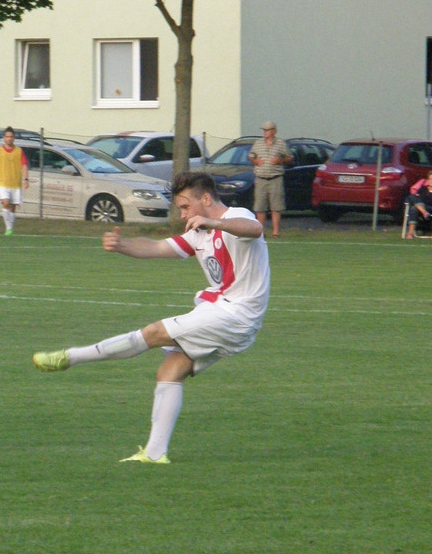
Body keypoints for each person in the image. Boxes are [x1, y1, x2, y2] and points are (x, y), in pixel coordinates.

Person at [32, 171, 269, 464]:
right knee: (170, 371)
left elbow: (254, 228)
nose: (183, 215)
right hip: (220, 312)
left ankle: (71, 358)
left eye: (186, 207)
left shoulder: (235, 216)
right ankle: (155, 454)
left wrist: (214, 222)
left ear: (206, 199)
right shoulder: (198, 233)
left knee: (154, 332)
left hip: (236, 314)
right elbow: (156, 247)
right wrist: (122, 246)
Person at [248, 121, 292, 237]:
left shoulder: (281, 143)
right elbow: (251, 156)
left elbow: (290, 157)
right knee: (260, 207)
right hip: (260, 179)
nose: (265, 132)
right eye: (264, 130)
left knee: (276, 207)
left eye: (267, 130)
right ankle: (261, 232)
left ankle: (275, 232)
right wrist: (255, 161)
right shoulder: (258, 143)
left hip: (275, 178)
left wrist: (280, 161)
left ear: (274, 131)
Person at [0, 126, 30, 236]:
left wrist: (26, 179)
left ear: (14, 138)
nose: (9, 139)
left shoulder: (19, 151)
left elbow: (24, 166)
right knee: (6, 202)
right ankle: (8, 228)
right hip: (3, 183)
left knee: (12, 207)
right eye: (7, 136)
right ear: (4, 137)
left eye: (11, 137)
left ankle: (10, 229)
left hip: (15, 184)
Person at [404, 172, 432, 238]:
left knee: (413, 204)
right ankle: (411, 232)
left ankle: (410, 233)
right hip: (421, 210)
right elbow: (417, 198)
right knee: (412, 201)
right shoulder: (423, 189)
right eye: (430, 179)